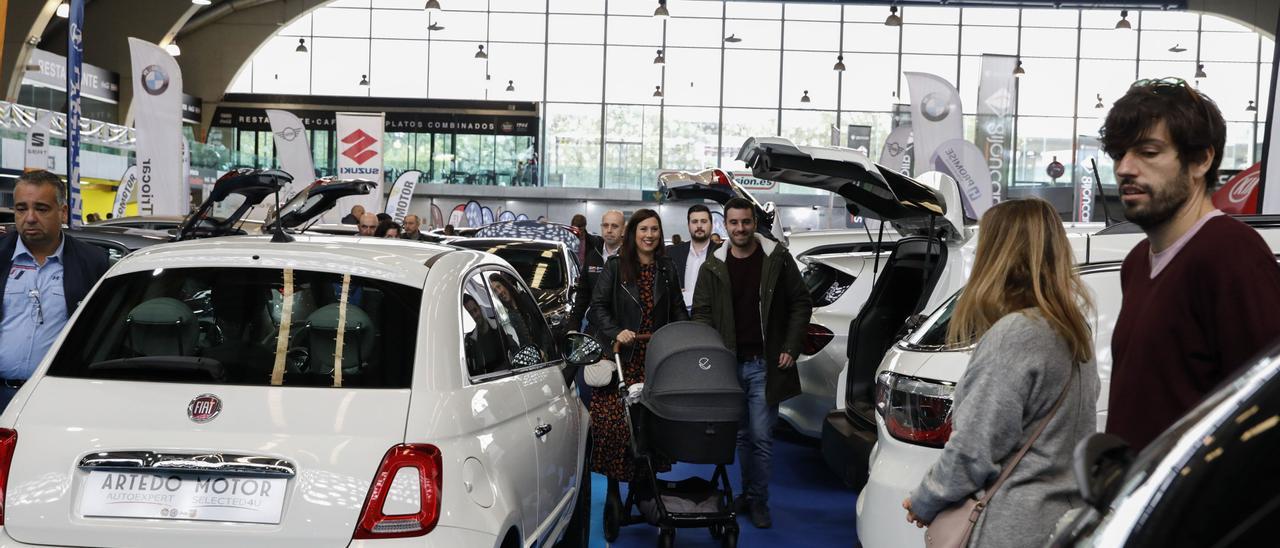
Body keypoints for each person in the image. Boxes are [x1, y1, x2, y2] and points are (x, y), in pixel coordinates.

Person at [902, 199, 1099, 548]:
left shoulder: (1016, 334)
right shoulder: (1073, 330)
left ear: (998, 255)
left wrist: (924, 500)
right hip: (1065, 521)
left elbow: (973, 449)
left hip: (1012, 527)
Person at [1100, 78, 1280, 451]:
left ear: (1201, 160)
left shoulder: (1230, 253)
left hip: (1199, 506)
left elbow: (1267, 417)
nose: (1125, 169)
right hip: (1137, 500)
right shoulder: (1136, 262)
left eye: (1148, 152)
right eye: (1119, 154)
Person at [691, 197, 810, 529]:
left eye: (745, 222)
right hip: (729, 366)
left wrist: (790, 345)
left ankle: (758, 500)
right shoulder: (713, 264)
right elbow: (701, 313)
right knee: (742, 436)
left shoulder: (777, 258)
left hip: (764, 364)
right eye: (733, 223)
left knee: (761, 436)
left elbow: (801, 303)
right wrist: (710, 358)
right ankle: (748, 492)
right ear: (724, 225)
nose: (740, 228)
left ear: (753, 223)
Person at [588, 209, 688, 518]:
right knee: (616, 429)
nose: (649, 235)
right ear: (633, 234)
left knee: (651, 428)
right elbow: (598, 307)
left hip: (654, 360)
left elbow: (677, 310)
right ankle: (615, 493)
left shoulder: (668, 268)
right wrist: (617, 331)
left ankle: (646, 488)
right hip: (620, 358)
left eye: (654, 230)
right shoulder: (616, 267)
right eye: (643, 229)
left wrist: (685, 337)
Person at [0, 170, 109, 410]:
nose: (29, 217)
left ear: (62, 212)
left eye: (41, 208)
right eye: (21, 208)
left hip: (58, 397)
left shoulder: (92, 262)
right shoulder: (1, 256)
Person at [568, 210, 624, 334]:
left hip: (622, 331)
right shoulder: (593, 256)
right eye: (605, 225)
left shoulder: (631, 258)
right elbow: (583, 294)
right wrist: (574, 326)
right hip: (595, 328)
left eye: (614, 226)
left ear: (623, 230)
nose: (609, 230)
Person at [667, 204, 719, 310]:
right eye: (694, 222)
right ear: (688, 225)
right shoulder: (672, 253)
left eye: (704, 221)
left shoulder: (721, 253)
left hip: (711, 315)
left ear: (711, 225)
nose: (699, 226)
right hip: (680, 316)